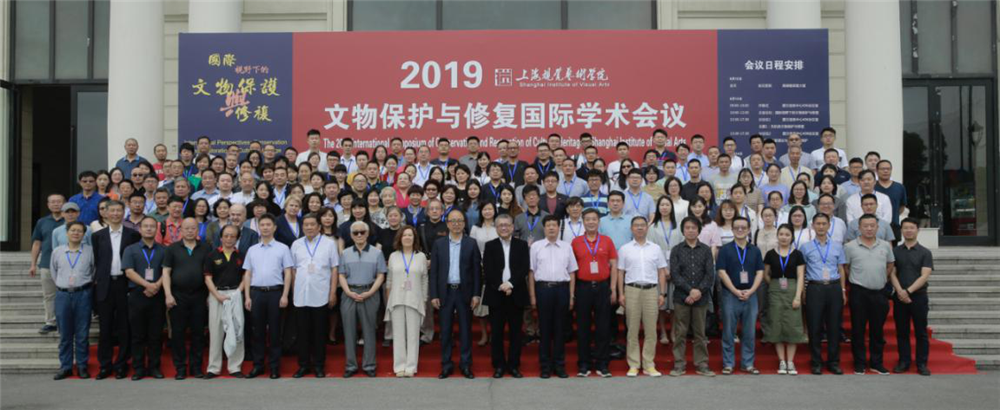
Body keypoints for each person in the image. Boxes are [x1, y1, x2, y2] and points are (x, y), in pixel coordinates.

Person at [91, 200, 141, 380]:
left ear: (123, 212)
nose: (115, 214)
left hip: (124, 284)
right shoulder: (98, 236)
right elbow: (96, 260)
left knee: (124, 327)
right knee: (105, 328)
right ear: (105, 212)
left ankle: (121, 364)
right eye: (111, 210)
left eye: (119, 210)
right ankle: (105, 365)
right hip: (105, 285)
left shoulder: (132, 235)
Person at [429, 209, 482, 379]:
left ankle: (466, 364)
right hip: (445, 292)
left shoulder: (471, 243)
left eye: (459, 221)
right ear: (447, 224)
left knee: (466, 331)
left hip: (464, 292)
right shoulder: (439, 244)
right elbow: (434, 272)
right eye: (453, 221)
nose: (456, 224)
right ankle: (446, 364)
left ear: (464, 223)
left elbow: (477, 271)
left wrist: (476, 294)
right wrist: (434, 294)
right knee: (445, 331)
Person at [478, 213, 530, 379]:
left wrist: (511, 284)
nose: (504, 228)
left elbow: (524, 268)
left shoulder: (522, 245)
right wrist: (501, 285)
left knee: (516, 333)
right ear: (496, 228)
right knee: (497, 333)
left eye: (507, 225)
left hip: (516, 293)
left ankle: (514, 365)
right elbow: (488, 269)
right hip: (496, 294)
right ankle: (499, 365)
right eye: (501, 225)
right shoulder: (490, 246)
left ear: (512, 227)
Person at [242, 214, 294, 379]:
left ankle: (274, 367)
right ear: (259, 228)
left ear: (274, 227)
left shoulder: (283, 248)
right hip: (256, 293)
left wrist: (285, 295)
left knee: (275, 332)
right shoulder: (252, 249)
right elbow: (248, 274)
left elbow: (288, 273)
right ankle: (258, 365)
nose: (265, 227)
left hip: (275, 293)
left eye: (268, 225)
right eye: (262, 225)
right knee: (257, 332)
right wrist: (247, 297)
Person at [844, 214, 896, 375]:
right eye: (865, 226)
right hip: (859, 292)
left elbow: (890, 264)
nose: (869, 228)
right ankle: (859, 363)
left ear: (877, 228)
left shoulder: (885, 246)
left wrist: (882, 278)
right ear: (859, 228)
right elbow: (846, 268)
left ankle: (876, 363)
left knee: (877, 330)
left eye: (872, 226)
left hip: (879, 293)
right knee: (858, 330)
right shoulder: (850, 246)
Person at [617, 216, 668, 377]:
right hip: (631, 289)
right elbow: (620, 272)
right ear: (631, 229)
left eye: (642, 225)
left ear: (647, 228)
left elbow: (661, 272)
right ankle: (633, 364)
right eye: (636, 225)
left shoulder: (655, 248)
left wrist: (662, 293)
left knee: (651, 330)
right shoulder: (625, 249)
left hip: (651, 291)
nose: (639, 228)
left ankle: (648, 364)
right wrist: (621, 293)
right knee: (632, 329)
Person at [290, 213, 339, 378]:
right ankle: (303, 365)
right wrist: (294, 291)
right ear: (302, 227)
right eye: (306, 225)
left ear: (319, 227)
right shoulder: (296, 244)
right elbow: (293, 270)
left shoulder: (329, 244)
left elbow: (334, 269)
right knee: (302, 333)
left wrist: (332, 293)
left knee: (319, 333)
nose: (309, 227)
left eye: (312, 224)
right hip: (301, 295)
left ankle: (319, 365)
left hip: (321, 294)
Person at [570, 209, 618, 378]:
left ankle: (602, 364)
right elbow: (571, 269)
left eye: (594, 219)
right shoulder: (576, 242)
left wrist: (613, 289)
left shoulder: (607, 240)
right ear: (583, 222)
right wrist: (572, 293)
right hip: (582, 287)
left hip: (603, 287)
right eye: (588, 219)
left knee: (603, 327)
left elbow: (614, 265)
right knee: (582, 327)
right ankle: (584, 364)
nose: (591, 222)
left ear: (599, 222)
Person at [528, 215, 578, 379]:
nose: (551, 228)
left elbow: (572, 272)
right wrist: (532, 296)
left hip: (562, 290)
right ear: (544, 228)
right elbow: (531, 272)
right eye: (548, 225)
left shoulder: (566, 247)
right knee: (545, 329)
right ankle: (545, 366)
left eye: (554, 225)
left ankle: (559, 365)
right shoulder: (536, 247)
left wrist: (571, 296)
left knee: (560, 330)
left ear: (558, 228)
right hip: (543, 290)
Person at [162, 218, 211, 380]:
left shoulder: (205, 248)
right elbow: (166, 273)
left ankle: (196, 367)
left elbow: (209, 273)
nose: (190, 231)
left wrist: (209, 295)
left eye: (193, 228)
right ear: (181, 230)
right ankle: (180, 367)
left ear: (198, 230)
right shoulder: (172, 248)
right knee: (178, 333)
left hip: (199, 295)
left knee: (198, 333)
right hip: (178, 296)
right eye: (186, 228)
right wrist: (168, 294)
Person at [716, 216, 765, 375]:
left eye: (744, 227)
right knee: (728, 331)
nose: (740, 230)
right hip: (730, 294)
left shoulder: (755, 250)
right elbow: (721, 272)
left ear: (749, 230)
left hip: (751, 295)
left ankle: (747, 363)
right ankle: (728, 363)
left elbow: (760, 272)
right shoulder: (725, 249)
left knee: (749, 332)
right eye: (737, 227)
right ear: (732, 229)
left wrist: (751, 291)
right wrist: (735, 291)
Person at [669, 217, 716, 377]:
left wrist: (697, 292)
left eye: (693, 228)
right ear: (683, 230)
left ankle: (702, 364)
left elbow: (710, 275)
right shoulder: (676, 250)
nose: (690, 230)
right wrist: (690, 291)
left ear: (698, 230)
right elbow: (675, 275)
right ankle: (679, 364)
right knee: (680, 332)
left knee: (700, 333)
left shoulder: (706, 250)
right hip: (681, 297)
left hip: (701, 298)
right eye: (687, 227)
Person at [339, 221, 386, 377]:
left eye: (362, 232)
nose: (359, 235)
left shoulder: (377, 253)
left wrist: (370, 292)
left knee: (369, 330)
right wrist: (348, 292)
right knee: (349, 331)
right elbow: (341, 275)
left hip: (370, 292)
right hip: (349, 293)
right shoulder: (345, 253)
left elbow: (381, 275)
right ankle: (350, 366)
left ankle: (369, 365)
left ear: (367, 234)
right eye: (355, 232)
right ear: (351, 235)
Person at [801, 213, 847, 375]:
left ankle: (833, 362)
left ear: (829, 226)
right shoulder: (805, 247)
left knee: (834, 326)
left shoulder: (837, 246)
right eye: (818, 224)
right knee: (814, 326)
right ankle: (816, 362)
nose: (821, 227)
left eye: (824, 224)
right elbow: (802, 271)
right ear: (813, 226)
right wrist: (804, 291)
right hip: (815, 287)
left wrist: (843, 290)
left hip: (834, 287)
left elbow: (841, 269)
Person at [122, 217, 167, 380]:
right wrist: (147, 285)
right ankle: (139, 368)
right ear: (140, 229)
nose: (149, 229)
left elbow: (166, 271)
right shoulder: (130, 249)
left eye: (152, 226)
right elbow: (129, 272)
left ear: (156, 229)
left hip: (157, 295)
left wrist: (156, 286)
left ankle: (154, 367)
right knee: (138, 334)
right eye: (145, 226)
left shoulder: (163, 250)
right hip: (137, 295)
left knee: (156, 334)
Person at [50, 221, 95, 380]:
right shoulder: (57, 251)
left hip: (83, 294)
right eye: (73, 230)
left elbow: (93, 271)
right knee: (65, 334)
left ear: (84, 234)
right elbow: (54, 272)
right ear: (67, 233)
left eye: (79, 231)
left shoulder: (90, 251)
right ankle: (66, 366)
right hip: (63, 295)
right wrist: (63, 285)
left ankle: (82, 366)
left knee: (82, 333)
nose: (76, 233)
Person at [202, 224, 247, 379]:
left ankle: (235, 367)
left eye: (232, 236)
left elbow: (246, 276)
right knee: (216, 331)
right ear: (221, 238)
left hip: (235, 294)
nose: (229, 239)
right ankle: (213, 368)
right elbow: (208, 278)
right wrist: (216, 295)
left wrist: (238, 292)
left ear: (237, 238)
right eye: (226, 236)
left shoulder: (241, 255)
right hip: (217, 294)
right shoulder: (212, 255)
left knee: (237, 330)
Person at [891, 218, 933, 376]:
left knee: (921, 332)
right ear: (901, 230)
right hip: (899, 297)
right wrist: (900, 291)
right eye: (905, 228)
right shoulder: (895, 251)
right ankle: (904, 362)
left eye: (912, 228)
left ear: (917, 230)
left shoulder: (925, 252)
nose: (908, 231)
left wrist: (908, 292)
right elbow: (892, 273)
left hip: (919, 297)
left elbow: (925, 275)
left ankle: (922, 364)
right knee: (902, 332)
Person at [763, 224, 807, 375]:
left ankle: (790, 361)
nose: (784, 237)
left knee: (792, 325)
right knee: (777, 324)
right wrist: (773, 285)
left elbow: (800, 276)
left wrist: (797, 296)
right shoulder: (770, 254)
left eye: (787, 234)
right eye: (781, 234)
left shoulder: (797, 254)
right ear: (777, 235)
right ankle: (782, 361)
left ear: (792, 237)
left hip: (793, 289)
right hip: (775, 291)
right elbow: (766, 274)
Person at [385, 226, 429, 377]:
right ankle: (399, 366)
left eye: (410, 235)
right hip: (396, 299)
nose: (407, 238)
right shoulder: (393, 256)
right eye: (405, 235)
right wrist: (389, 300)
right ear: (400, 238)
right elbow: (389, 280)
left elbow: (424, 280)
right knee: (398, 335)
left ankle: (411, 367)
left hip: (414, 299)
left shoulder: (421, 256)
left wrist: (424, 300)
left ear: (415, 238)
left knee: (413, 335)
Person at [30, 193, 66, 335]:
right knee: (49, 295)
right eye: (53, 202)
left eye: (59, 201)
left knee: (66, 294)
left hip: (67, 264)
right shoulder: (42, 222)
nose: (56, 204)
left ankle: (65, 321)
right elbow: (37, 243)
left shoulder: (69, 221)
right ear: (48, 205)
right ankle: (50, 322)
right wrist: (33, 264)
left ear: (64, 203)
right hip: (46, 263)